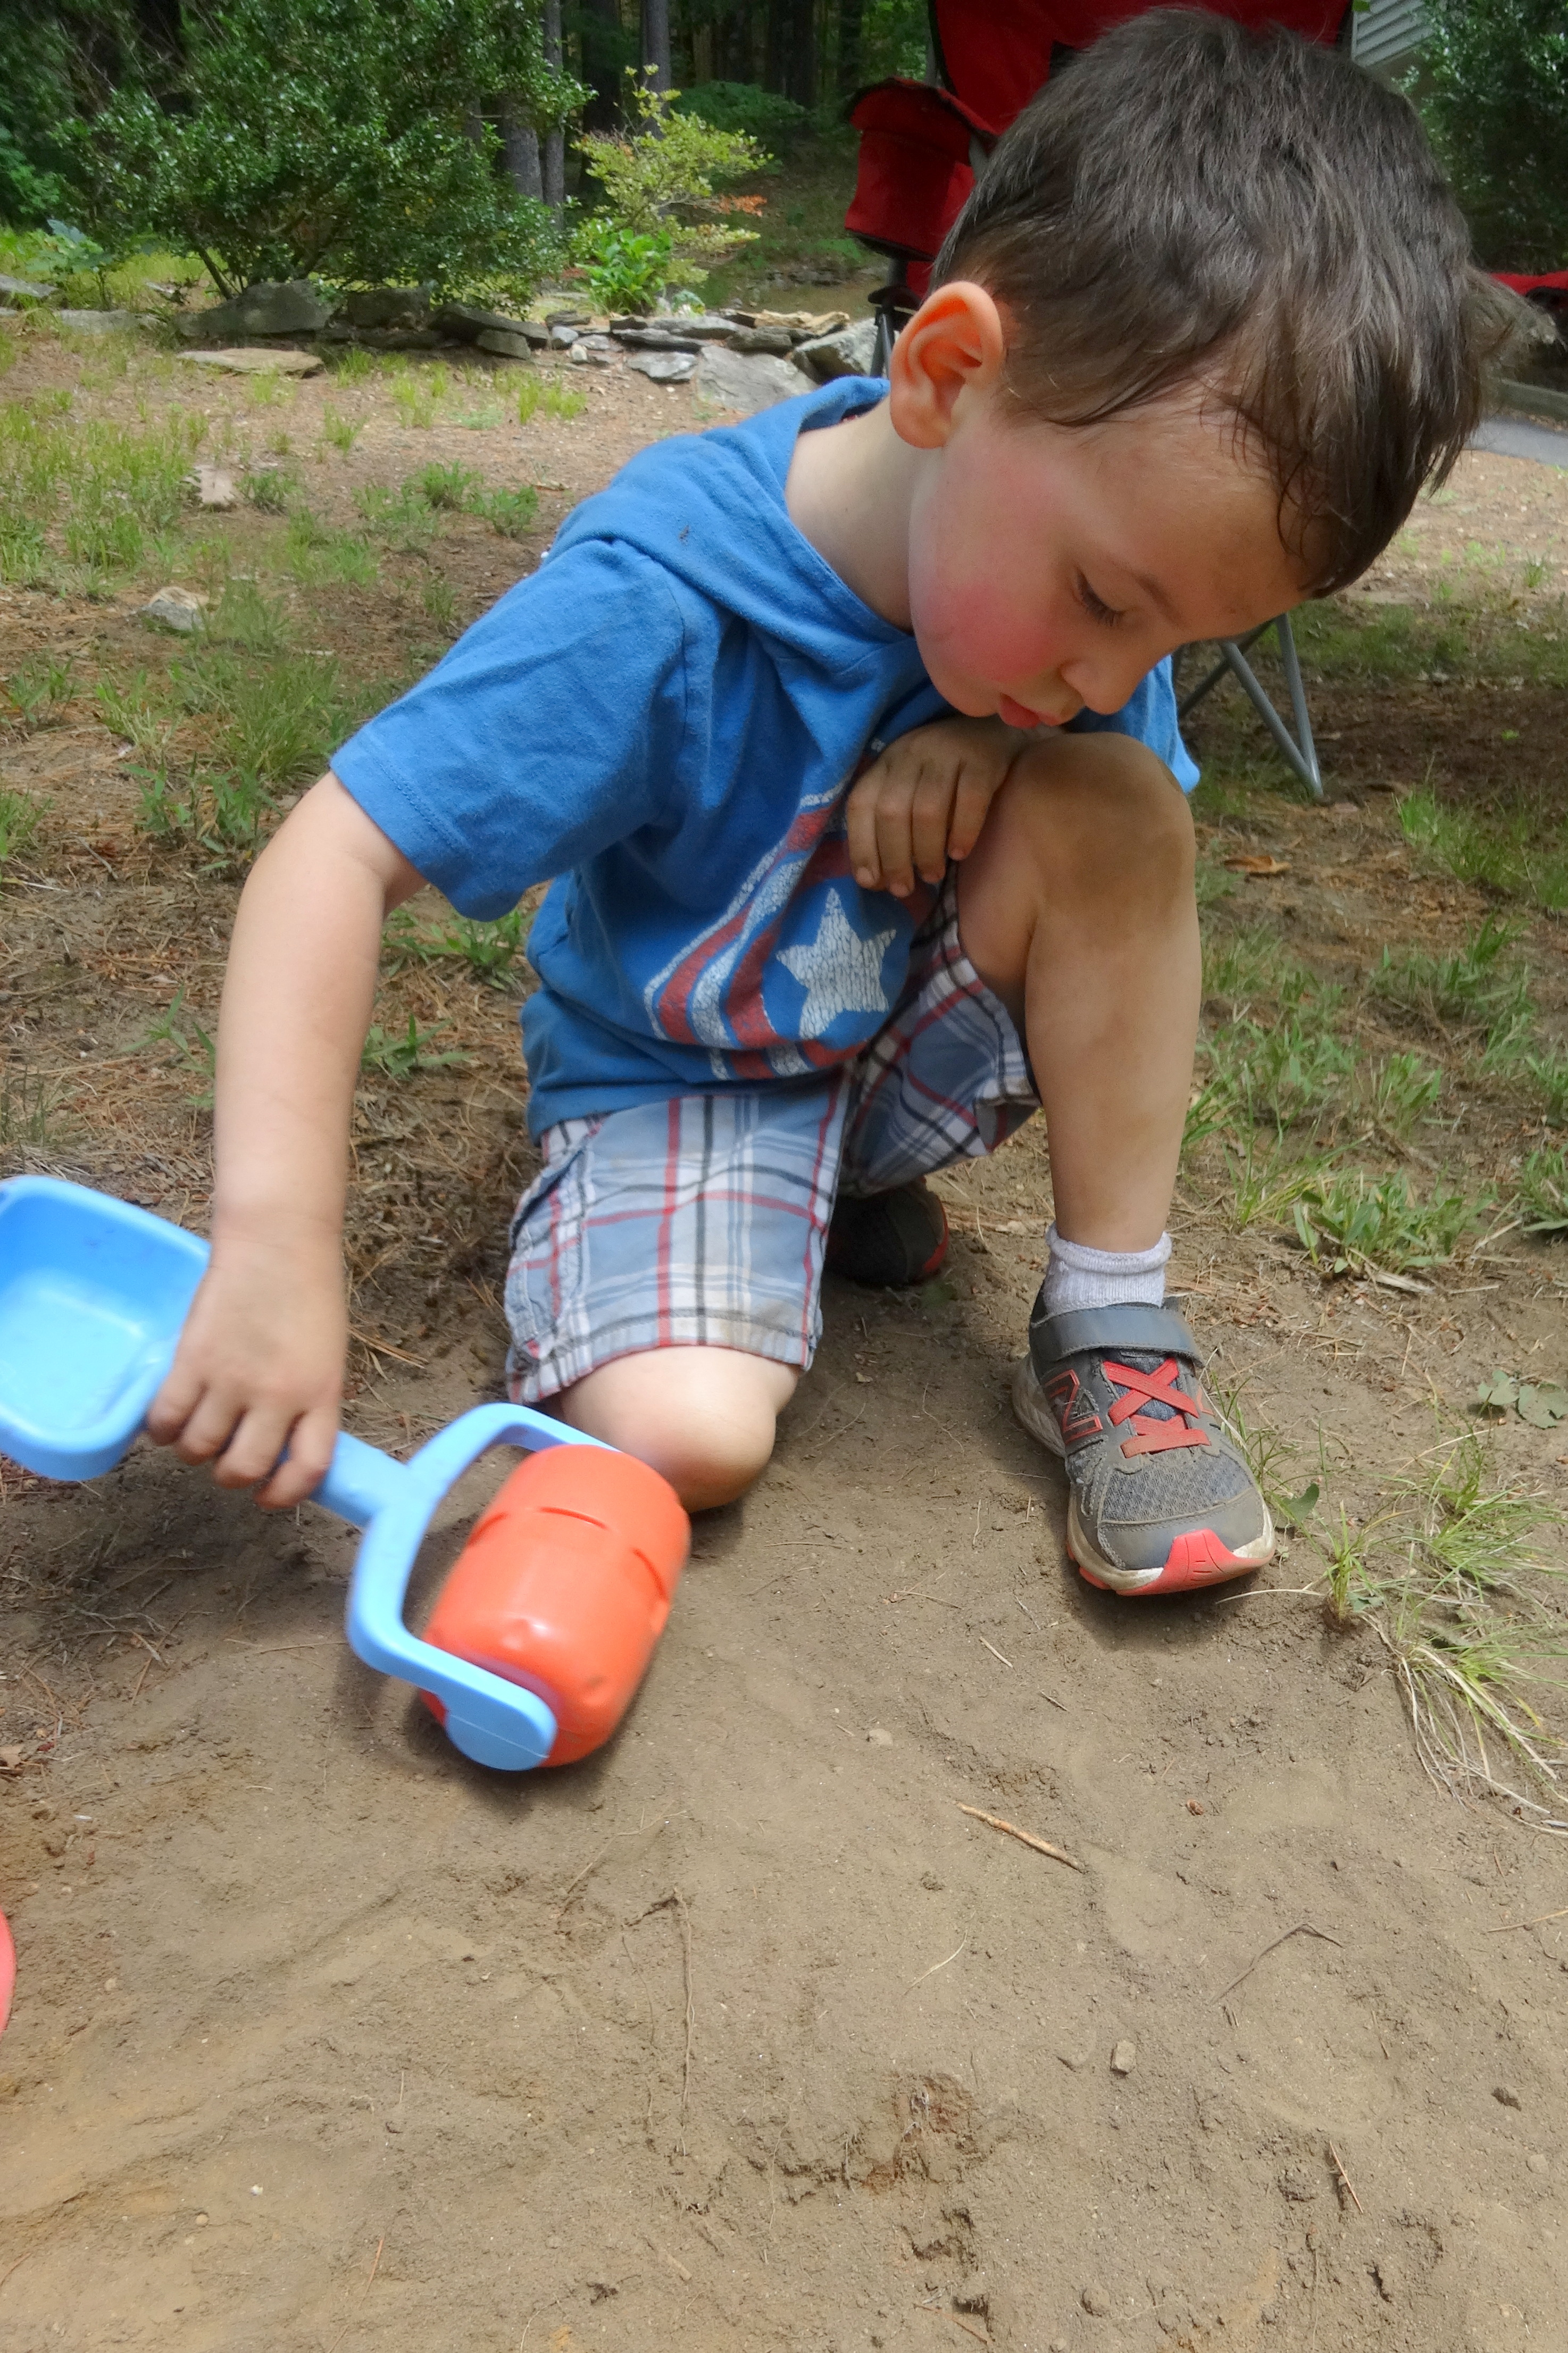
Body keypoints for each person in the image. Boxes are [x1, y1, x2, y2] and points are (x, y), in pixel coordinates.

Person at [147, 12, 1507, 1597]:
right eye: (1102, 602)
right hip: (689, 1074)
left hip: (888, 1036)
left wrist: (1007, 750)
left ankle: (1109, 1317)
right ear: (946, 374)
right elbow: (331, 855)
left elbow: (1114, 846)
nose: (1110, 673)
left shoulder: (1077, 599)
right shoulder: (661, 598)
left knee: (1119, 805)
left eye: (1177, 645)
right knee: (688, 1436)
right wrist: (272, 1243)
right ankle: (789, 1209)